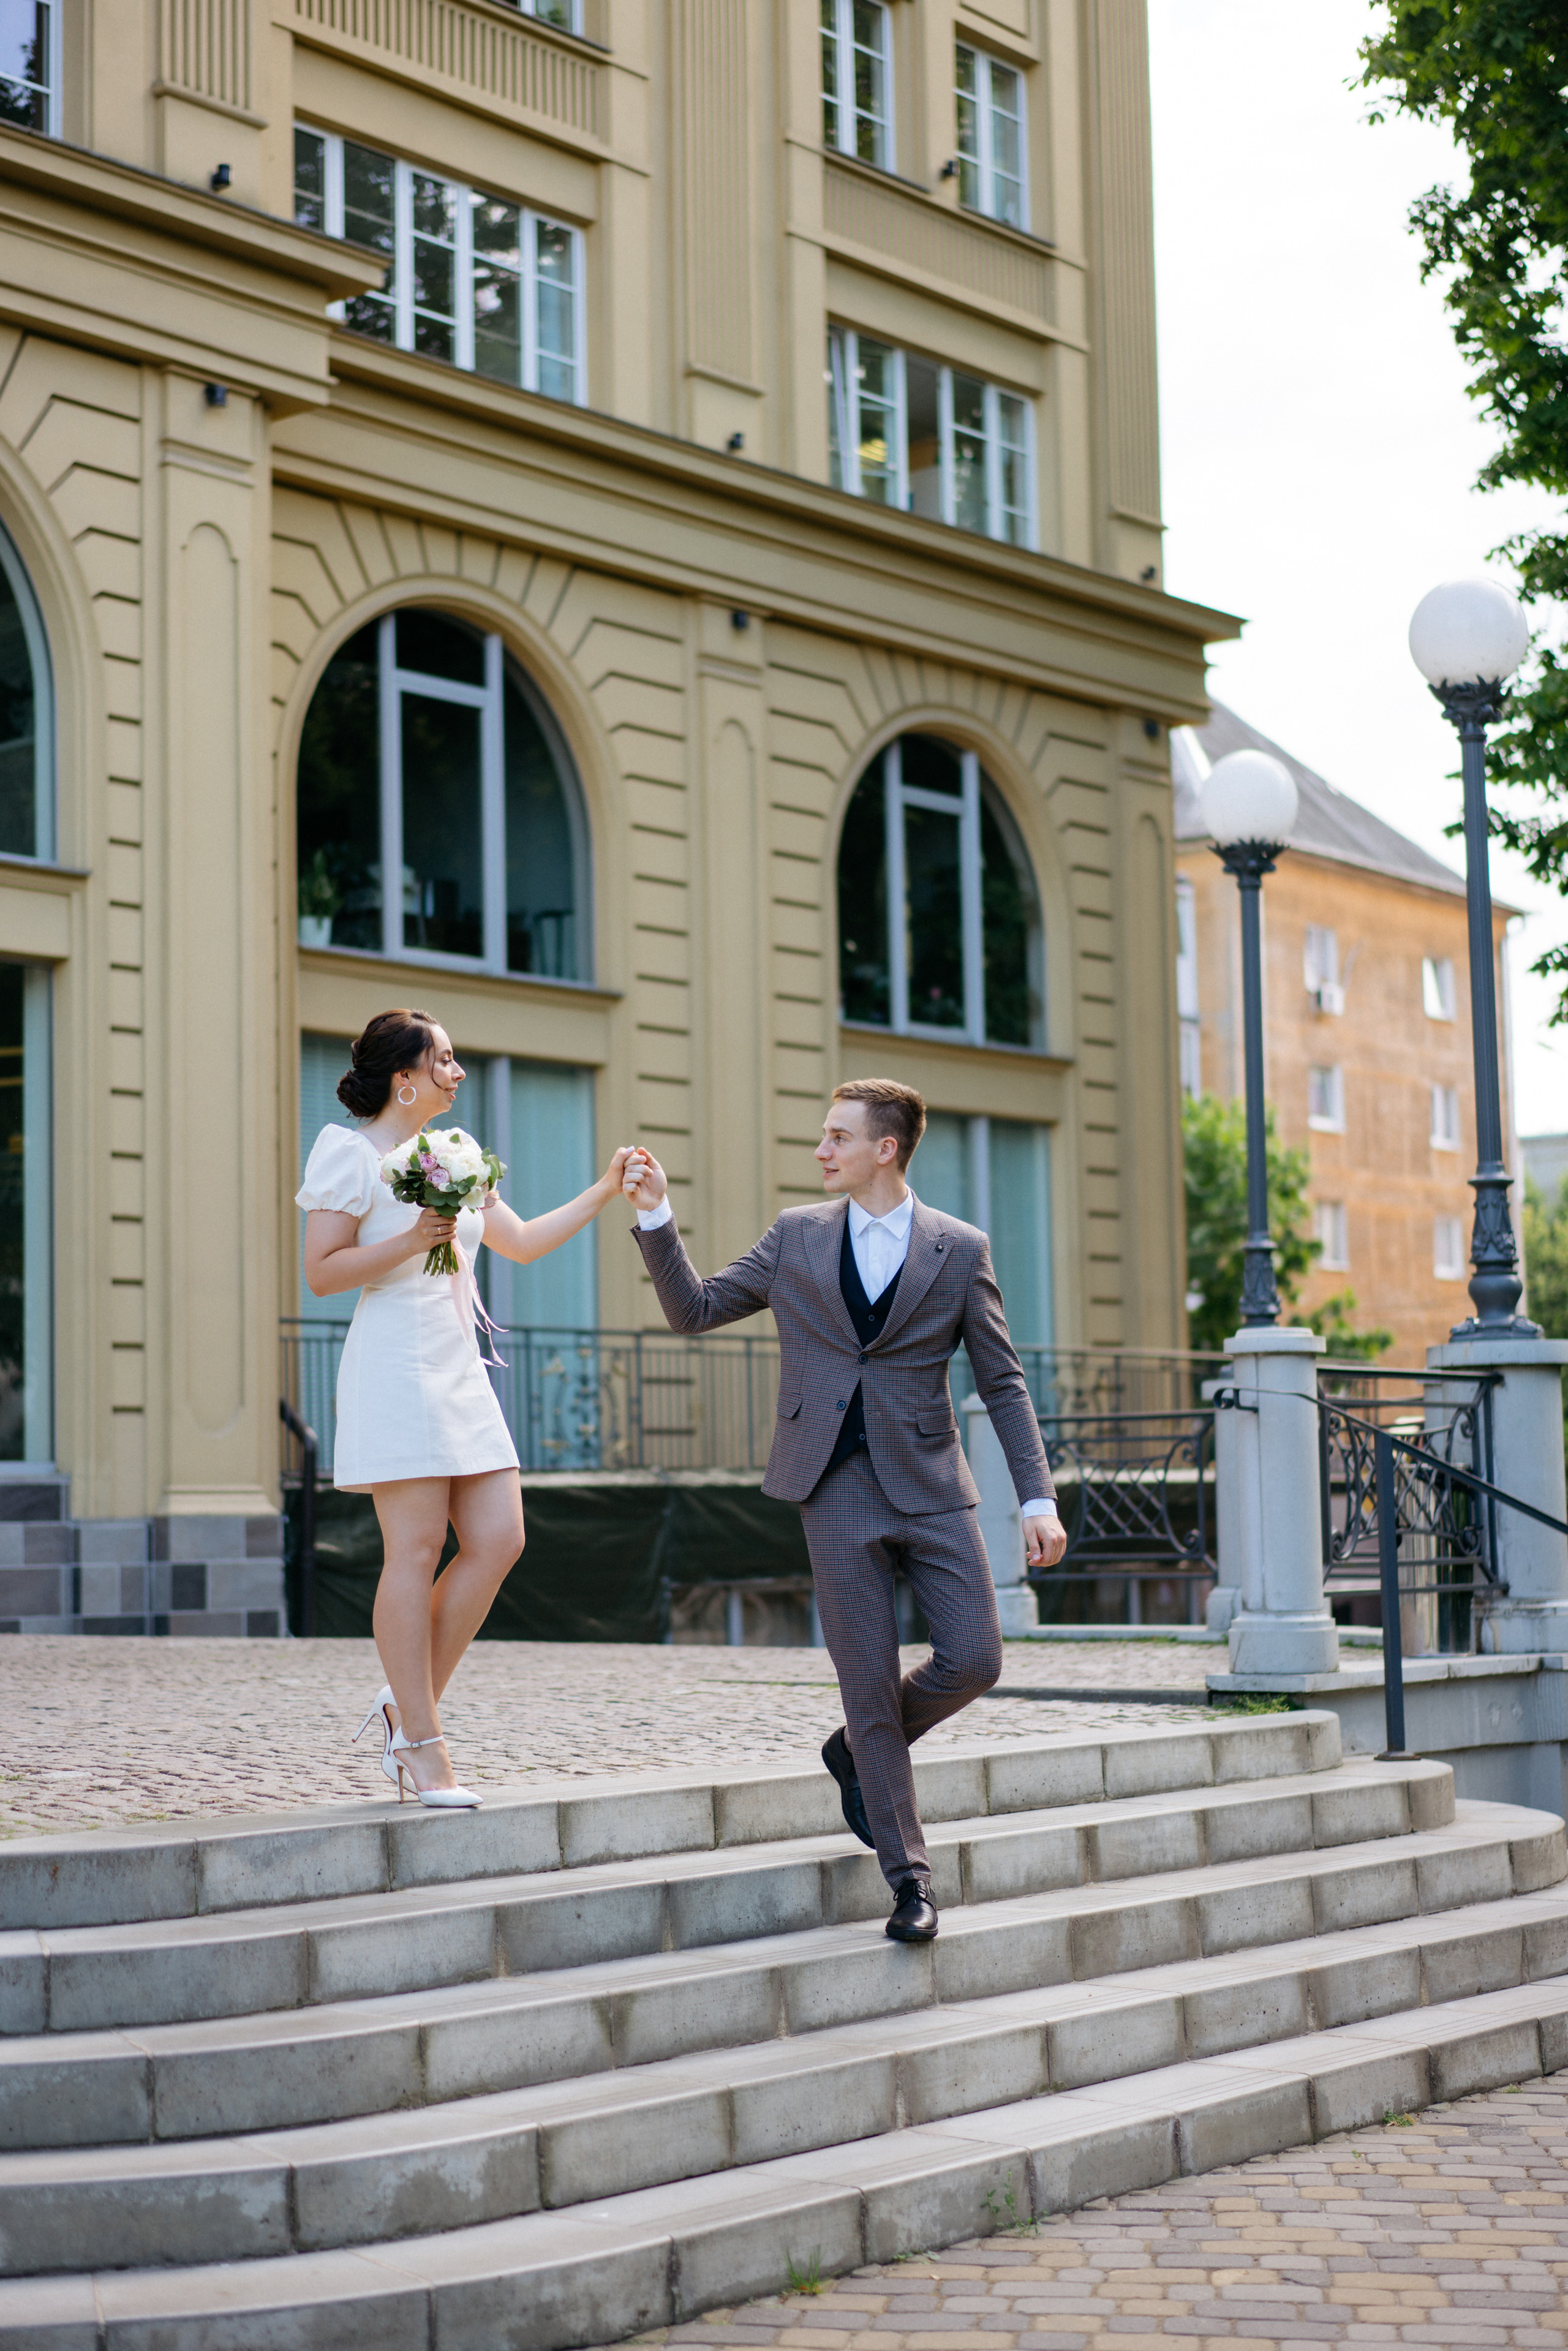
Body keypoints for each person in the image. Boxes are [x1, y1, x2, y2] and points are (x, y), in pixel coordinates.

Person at [622, 1077, 1067, 1941]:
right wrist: (656, 1216)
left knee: (976, 1657)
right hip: (831, 1487)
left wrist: (1036, 1498)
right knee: (866, 1684)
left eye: (838, 1136)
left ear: (884, 1149)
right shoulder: (796, 1236)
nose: (822, 1150)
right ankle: (912, 1883)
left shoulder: (959, 1249)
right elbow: (695, 1309)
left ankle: (856, 1748)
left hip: (933, 1484)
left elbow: (1002, 1381)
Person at [298, 1008, 633, 1808]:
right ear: (403, 1078)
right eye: (442, 1060)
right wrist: (411, 1239)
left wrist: (606, 1187)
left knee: (500, 1538)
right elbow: (322, 1271)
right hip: (394, 1363)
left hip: (458, 1365)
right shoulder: (349, 1153)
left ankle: (402, 1708)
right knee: (413, 1551)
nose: (456, 1072)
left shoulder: (455, 1152)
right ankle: (422, 1741)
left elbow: (522, 1241)